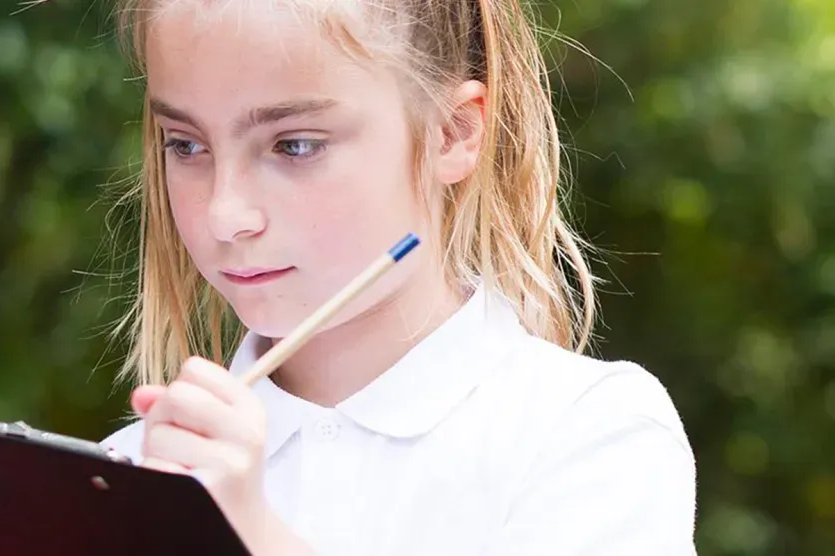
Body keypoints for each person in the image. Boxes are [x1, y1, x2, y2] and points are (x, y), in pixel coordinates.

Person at [95, 0, 698, 554]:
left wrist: (248, 531)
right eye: (185, 145)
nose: (226, 215)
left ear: (453, 132)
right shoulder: (123, 475)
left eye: (295, 145)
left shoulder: (589, 433)